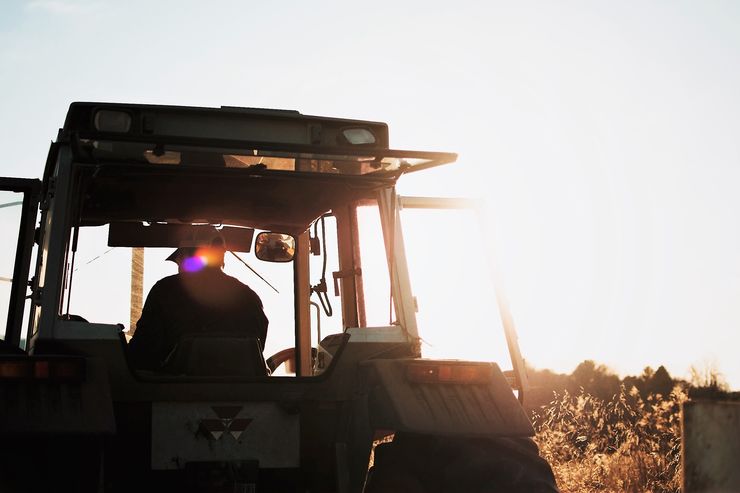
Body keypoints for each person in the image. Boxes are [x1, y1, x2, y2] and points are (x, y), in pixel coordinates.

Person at [128, 238, 268, 371]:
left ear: (185, 257)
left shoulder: (165, 290)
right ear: (221, 256)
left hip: (172, 392)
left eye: (179, 261)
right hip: (242, 392)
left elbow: (142, 352)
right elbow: (256, 350)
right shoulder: (249, 297)